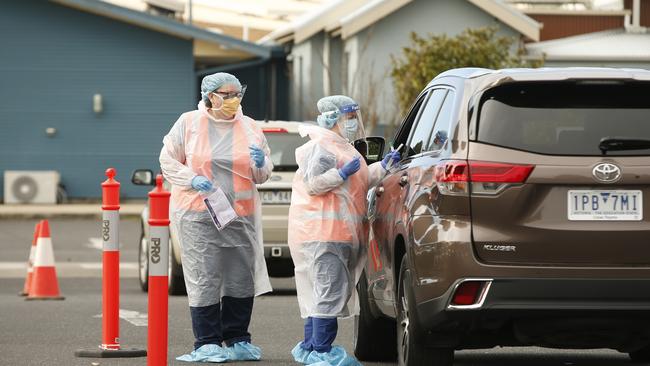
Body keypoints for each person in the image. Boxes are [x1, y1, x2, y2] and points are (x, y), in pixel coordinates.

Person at [159, 72, 273, 363]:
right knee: (203, 277)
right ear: (210, 96)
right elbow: (167, 159)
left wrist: (261, 163)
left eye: (238, 94)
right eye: (227, 95)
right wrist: (190, 178)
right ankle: (207, 341)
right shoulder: (189, 123)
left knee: (240, 278)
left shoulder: (249, 127)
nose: (234, 100)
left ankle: (237, 338)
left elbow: (261, 174)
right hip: (198, 213)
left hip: (240, 215)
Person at [288, 95, 400, 365]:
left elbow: (360, 182)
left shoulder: (344, 148)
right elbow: (313, 184)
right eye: (348, 117)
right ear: (332, 119)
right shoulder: (322, 148)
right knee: (329, 293)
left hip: (339, 232)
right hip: (325, 233)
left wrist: (383, 167)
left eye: (353, 117)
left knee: (323, 293)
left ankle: (312, 346)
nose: (353, 122)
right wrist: (341, 174)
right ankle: (322, 352)